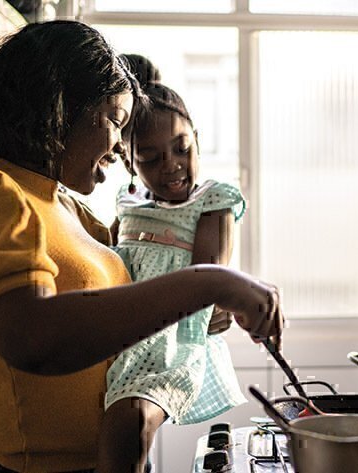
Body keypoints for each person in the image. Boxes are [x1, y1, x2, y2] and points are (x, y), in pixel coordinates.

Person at [0, 21, 282, 473]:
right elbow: (29, 338)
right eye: (116, 121)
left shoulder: (73, 211)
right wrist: (207, 284)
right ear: (60, 107)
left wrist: (200, 313)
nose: (118, 149)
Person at [94, 54, 247, 472]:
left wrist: (222, 304)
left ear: (196, 137)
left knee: (129, 423)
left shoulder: (213, 201)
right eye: (151, 158)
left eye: (182, 149)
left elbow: (206, 283)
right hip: (122, 332)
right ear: (128, 161)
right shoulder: (127, 205)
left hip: (170, 343)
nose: (172, 165)